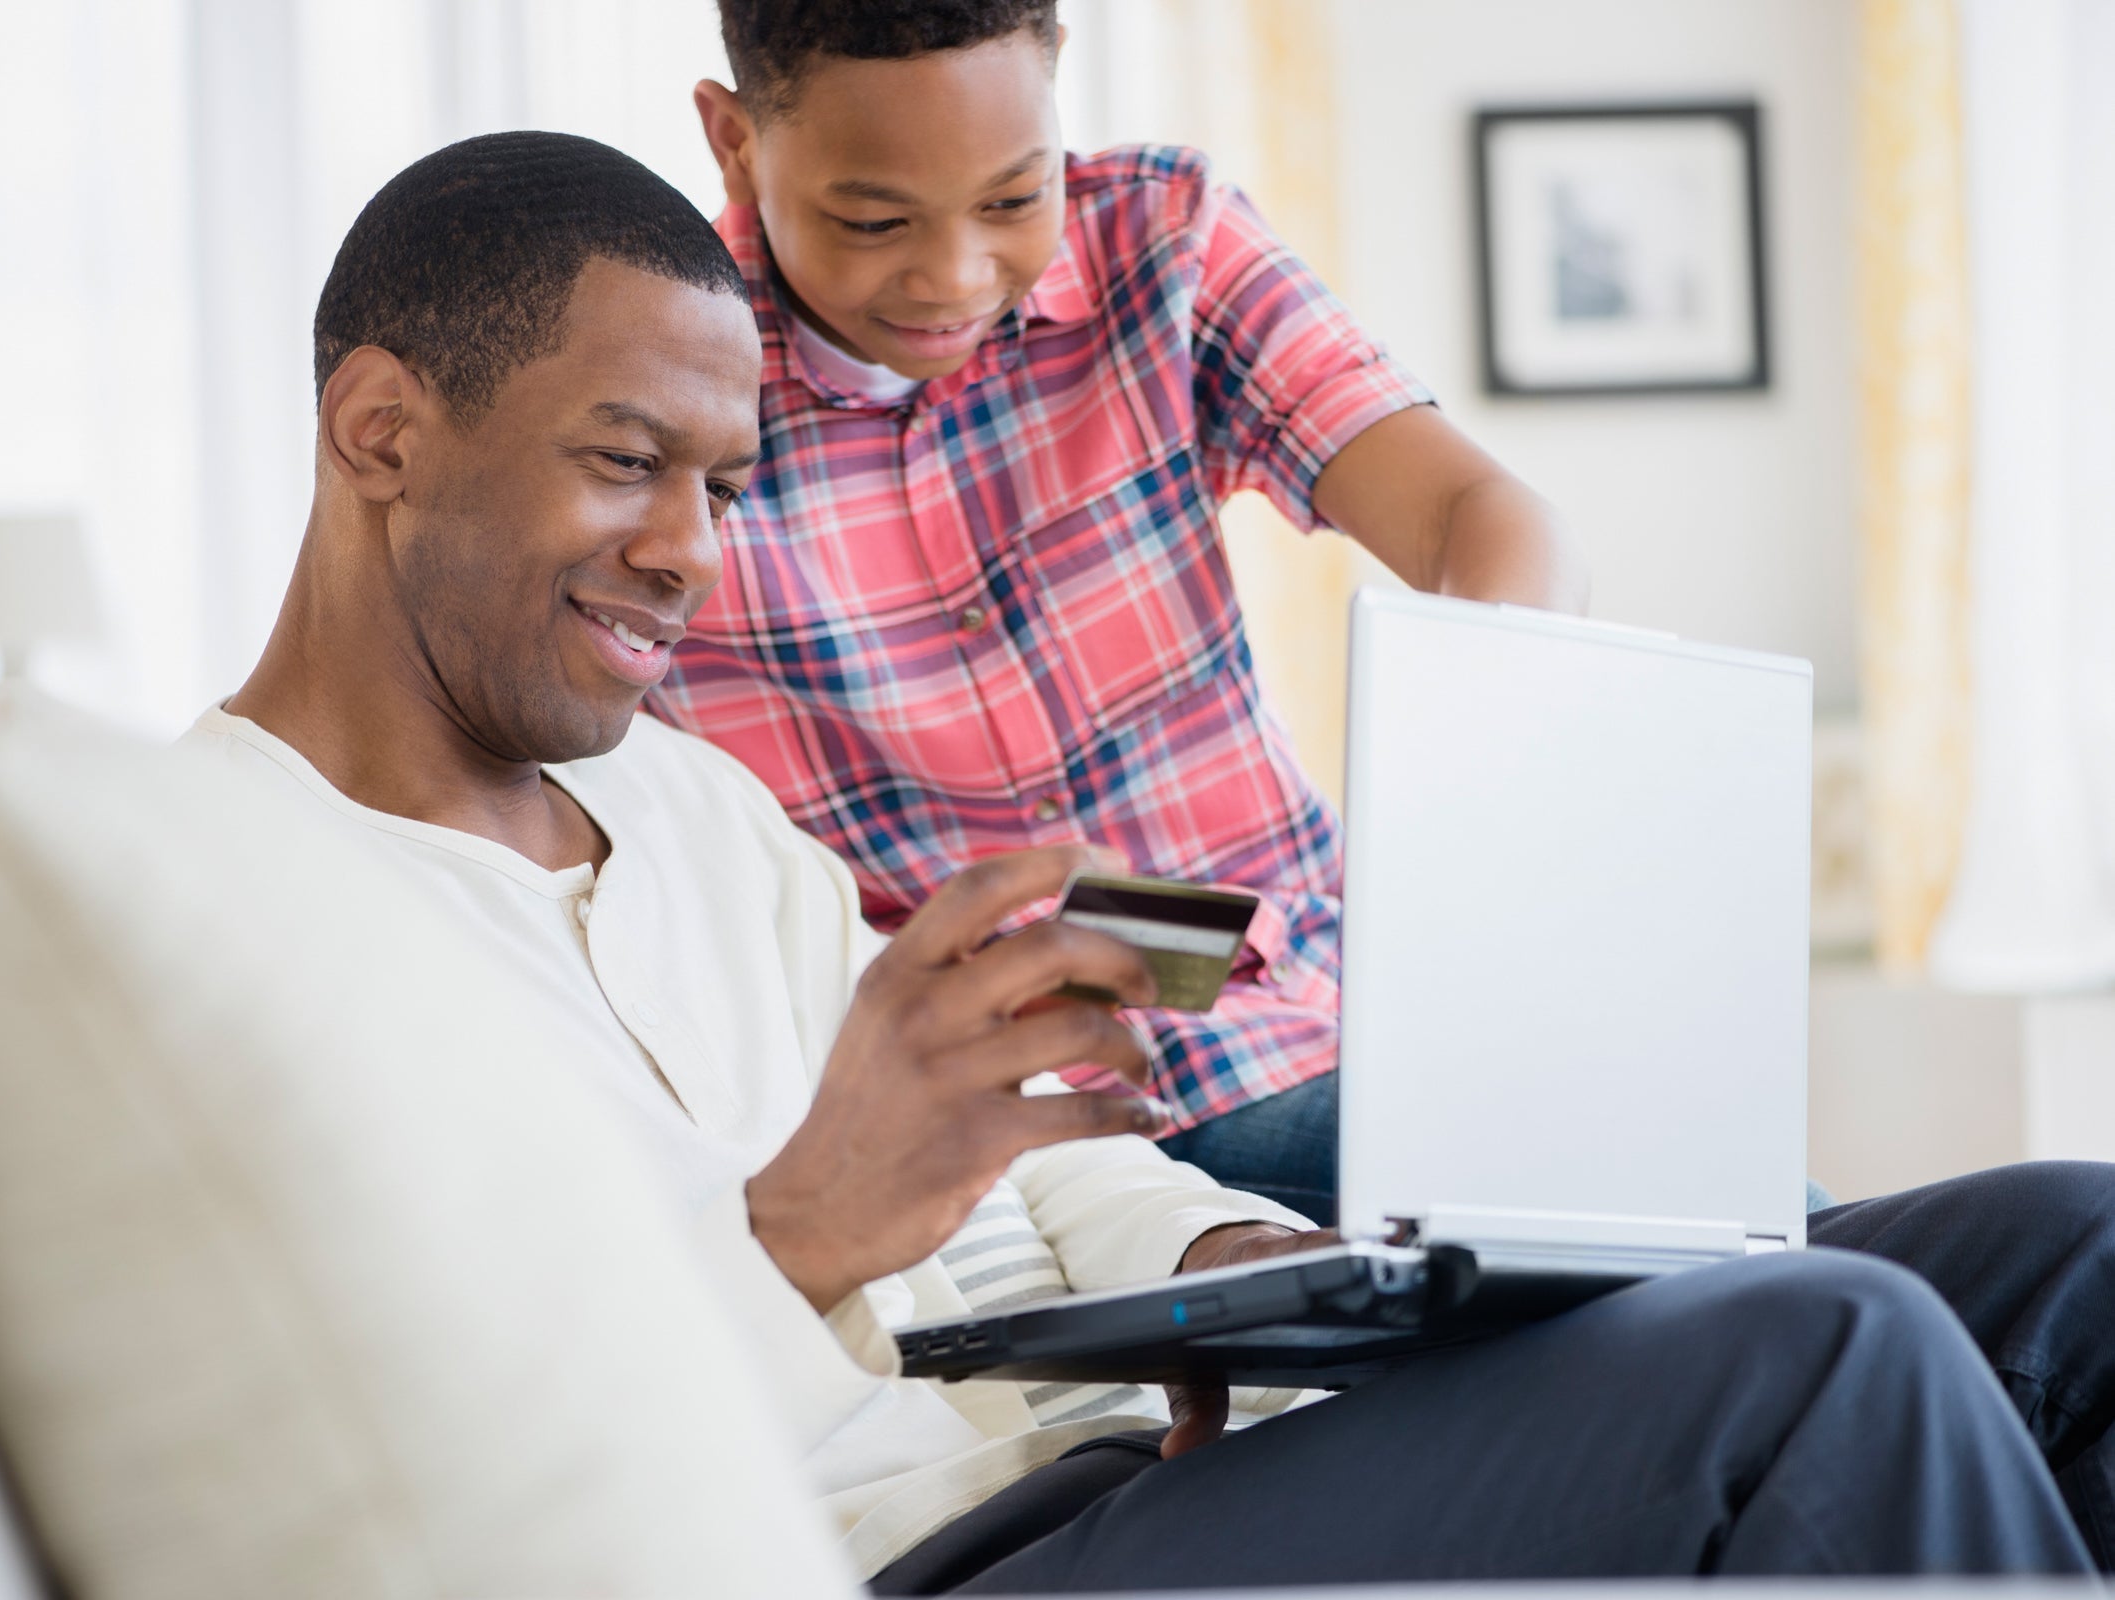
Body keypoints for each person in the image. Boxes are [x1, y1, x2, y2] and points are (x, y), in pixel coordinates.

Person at [193, 129, 2115, 1591]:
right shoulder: (211, 905)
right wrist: (797, 1241)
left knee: (2063, 1249)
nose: (696, 553)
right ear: (379, 431)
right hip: (930, 1555)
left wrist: (1238, 1263)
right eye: (627, 463)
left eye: (721, 482)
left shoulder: (689, 811)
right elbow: (401, 1494)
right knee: (1821, 1354)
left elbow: (1037, 1184)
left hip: (1146, 1442)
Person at [644, 0, 1589, 1217]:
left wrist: (1479, 758)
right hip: (1027, 1109)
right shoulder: (659, 375)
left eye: (1010, 198)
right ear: (732, 142)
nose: (953, 276)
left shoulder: (1157, 237)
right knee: (1758, 1269)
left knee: (1816, 1244)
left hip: (1334, 1007)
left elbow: (1483, 516)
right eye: (872, 220)